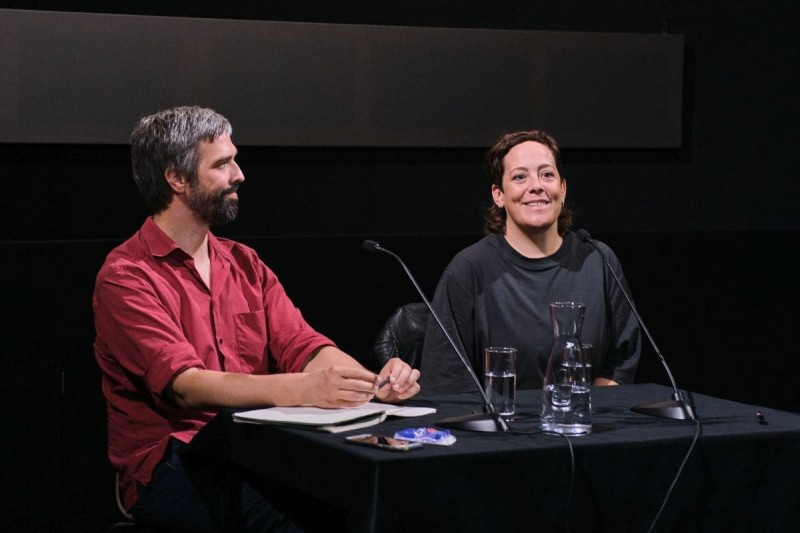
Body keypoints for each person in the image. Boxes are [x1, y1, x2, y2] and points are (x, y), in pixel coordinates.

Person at [93, 106, 420, 532]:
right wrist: (305, 389)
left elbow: (303, 345)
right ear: (176, 178)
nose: (239, 174)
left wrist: (369, 384)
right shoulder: (126, 276)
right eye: (223, 164)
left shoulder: (245, 263)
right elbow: (186, 387)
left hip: (257, 452)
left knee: (378, 503)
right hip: (173, 465)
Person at [419, 130, 640, 394]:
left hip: (582, 425)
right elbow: (447, 376)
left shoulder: (599, 259)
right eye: (520, 177)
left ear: (563, 188)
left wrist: (581, 410)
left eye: (547, 174)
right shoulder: (468, 269)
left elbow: (622, 359)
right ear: (498, 194)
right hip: (499, 428)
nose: (536, 186)